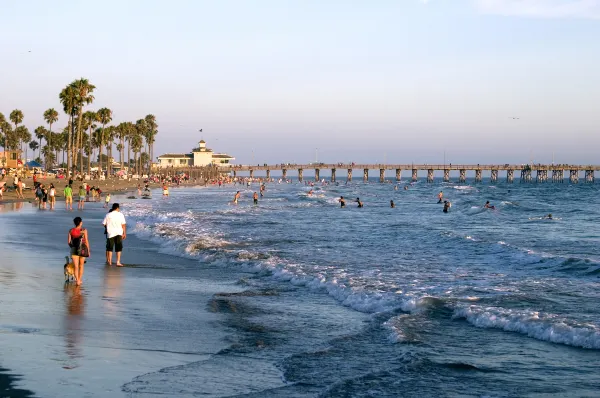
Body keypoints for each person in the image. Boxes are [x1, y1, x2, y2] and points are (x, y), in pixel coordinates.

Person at [68, 216, 90, 286]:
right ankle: (80, 279)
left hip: (74, 249)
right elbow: (86, 241)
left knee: (76, 266)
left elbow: (69, 242)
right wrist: (88, 251)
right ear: (80, 223)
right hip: (83, 249)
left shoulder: (71, 230)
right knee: (81, 265)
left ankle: (77, 280)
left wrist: (73, 248)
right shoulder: (84, 230)